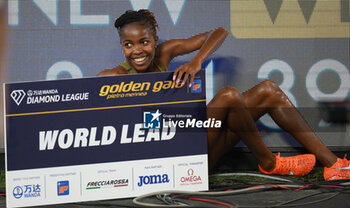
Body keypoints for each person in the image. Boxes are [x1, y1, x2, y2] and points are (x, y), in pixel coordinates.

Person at [98, 9, 350, 181]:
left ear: (155, 39)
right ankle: (269, 163)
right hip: (168, 164)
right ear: (122, 46)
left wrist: (197, 61)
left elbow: (218, 32)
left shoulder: (165, 53)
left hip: (197, 144)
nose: (137, 50)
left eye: (144, 41)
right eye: (128, 44)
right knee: (229, 95)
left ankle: (334, 165)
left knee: (268, 90)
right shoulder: (115, 75)